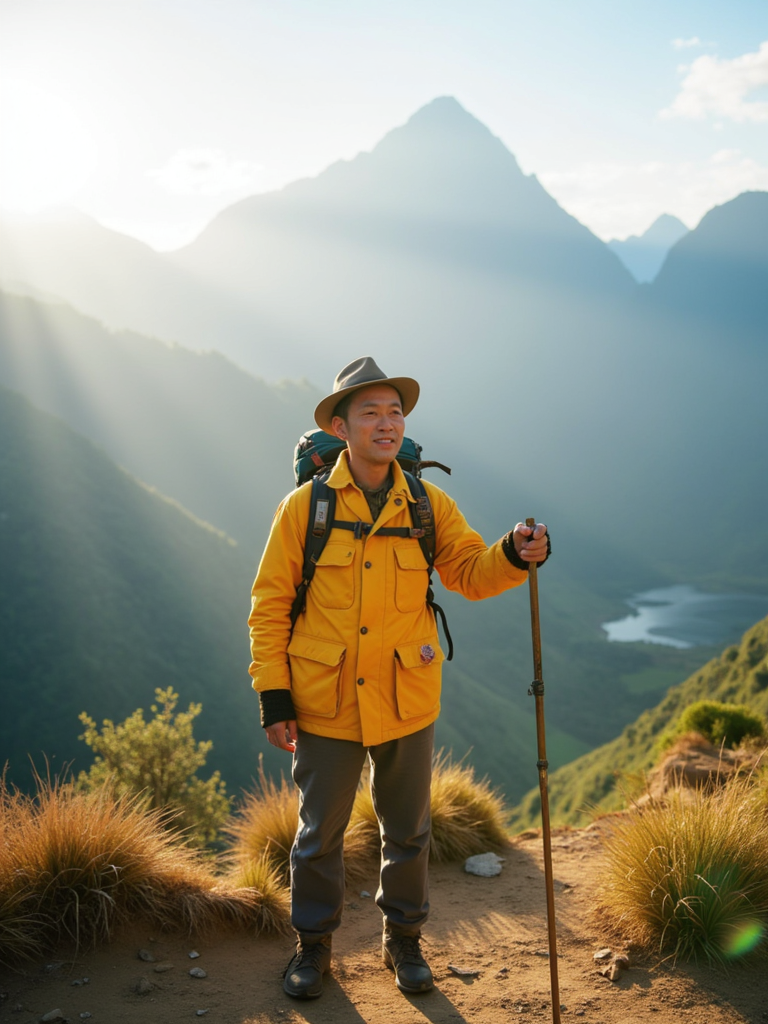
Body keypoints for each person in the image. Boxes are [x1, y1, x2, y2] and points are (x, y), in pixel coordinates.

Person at [248, 356, 549, 1000]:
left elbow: (470, 571)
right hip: (323, 701)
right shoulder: (306, 508)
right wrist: (274, 695)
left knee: (409, 829)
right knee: (319, 834)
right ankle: (314, 947)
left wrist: (514, 553)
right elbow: (270, 605)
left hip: (405, 697)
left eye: (395, 412)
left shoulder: (425, 503)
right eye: (370, 412)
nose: (386, 424)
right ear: (341, 425)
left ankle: (404, 942)